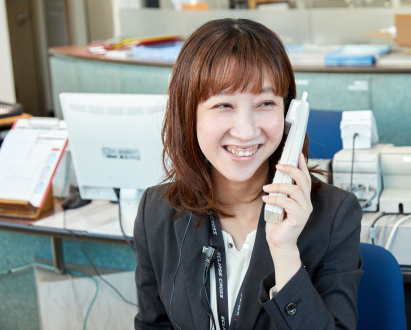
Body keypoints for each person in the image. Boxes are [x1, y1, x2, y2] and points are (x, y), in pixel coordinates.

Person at [134, 18, 362, 330]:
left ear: (289, 114)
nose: (246, 131)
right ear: (188, 114)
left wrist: (284, 252)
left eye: (265, 103)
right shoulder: (156, 212)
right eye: (224, 105)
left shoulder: (335, 216)